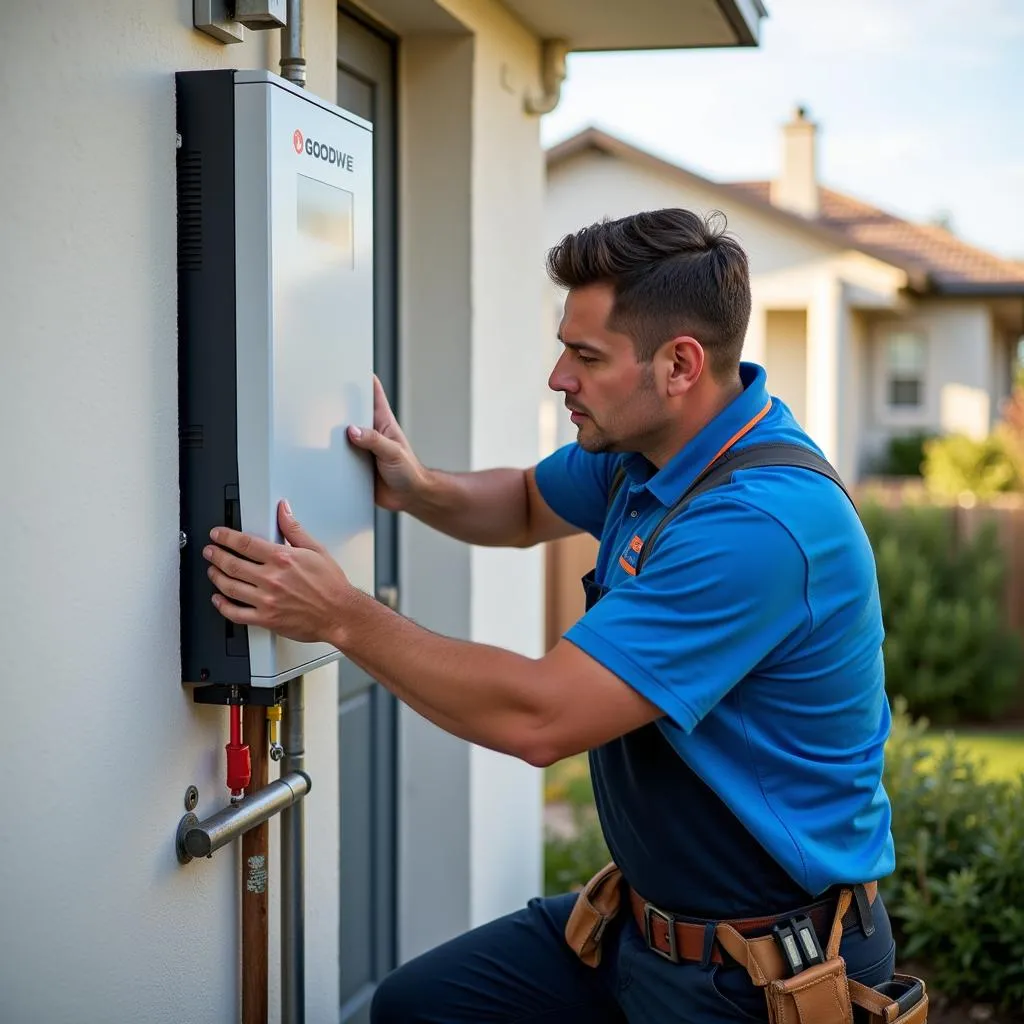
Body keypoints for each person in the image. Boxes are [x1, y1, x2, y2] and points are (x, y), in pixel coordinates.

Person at [203, 208, 899, 1023]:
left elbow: (541, 717)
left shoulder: (756, 529)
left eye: (587, 355)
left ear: (679, 364)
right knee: (422, 1008)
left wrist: (342, 616)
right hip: (645, 928)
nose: (558, 376)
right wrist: (418, 487)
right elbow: (529, 501)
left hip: (758, 978)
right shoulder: (655, 454)